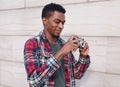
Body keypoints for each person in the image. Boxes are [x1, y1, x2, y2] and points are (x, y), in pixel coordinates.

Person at [24, 3, 90, 87]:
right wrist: (61, 52)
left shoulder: (64, 44)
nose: (61, 26)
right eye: (57, 22)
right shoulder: (32, 44)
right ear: (45, 20)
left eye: (63, 23)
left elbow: (77, 74)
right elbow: (33, 81)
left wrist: (83, 56)